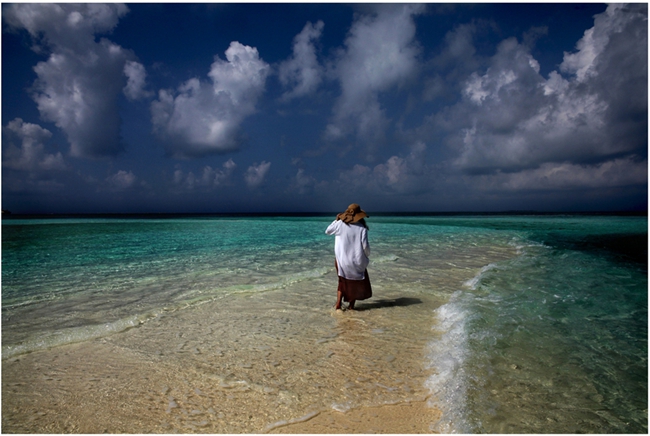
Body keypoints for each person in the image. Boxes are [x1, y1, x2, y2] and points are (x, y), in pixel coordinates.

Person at [325, 203, 372, 310]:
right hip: (356, 260)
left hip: (341, 259)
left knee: (342, 281)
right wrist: (367, 256)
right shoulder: (362, 228)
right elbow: (365, 246)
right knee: (354, 282)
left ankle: (338, 305)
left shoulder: (340, 224)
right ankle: (351, 306)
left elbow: (328, 231)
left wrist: (336, 220)